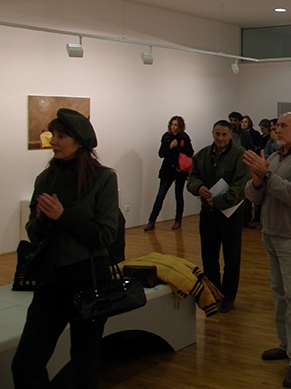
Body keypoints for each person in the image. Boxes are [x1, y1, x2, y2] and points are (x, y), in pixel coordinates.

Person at [12, 108, 119, 388]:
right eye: (53, 135)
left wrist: (63, 216)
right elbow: (34, 234)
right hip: (50, 280)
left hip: (88, 280)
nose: (54, 141)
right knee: (25, 362)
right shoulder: (45, 179)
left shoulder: (103, 179)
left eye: (61, 136)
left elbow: (106, 235)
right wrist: (40, 221)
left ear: (80, 141)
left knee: (84, 364)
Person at [243, 111, 291, 389]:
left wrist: (266, 175)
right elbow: (254, 197)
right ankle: (286, 345)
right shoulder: (276, 157)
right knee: (279, 295)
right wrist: (257, 180)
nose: (277, 129)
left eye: (284, 126)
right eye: (277, 125)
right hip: (271, 234)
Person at [186, 120, 249, 313]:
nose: (220, 138)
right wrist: (198, 187)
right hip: (208, 215)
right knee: (209, 257)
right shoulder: (202, 155)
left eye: (224, 135)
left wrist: (219, 202)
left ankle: (228, 296)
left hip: (231, 215)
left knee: (231, 259)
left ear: (231, 135)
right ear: (212, 134)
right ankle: (214, 292)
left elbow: (241, 185)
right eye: (217, 134)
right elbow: (192, 178)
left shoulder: (240, 155)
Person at [144, 116, 194, 231]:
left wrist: (179, 147)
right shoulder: (166, 137)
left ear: (180, 126)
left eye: (175, 125)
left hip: (180, 171)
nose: (173, 127)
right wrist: (170, 147)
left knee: (178, 196)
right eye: (172, 124)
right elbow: (161, 153)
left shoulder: (184, 138)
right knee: (160, 195)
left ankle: (178, 220)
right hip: (167, 170)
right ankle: (151, 221)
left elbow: (190, 152)